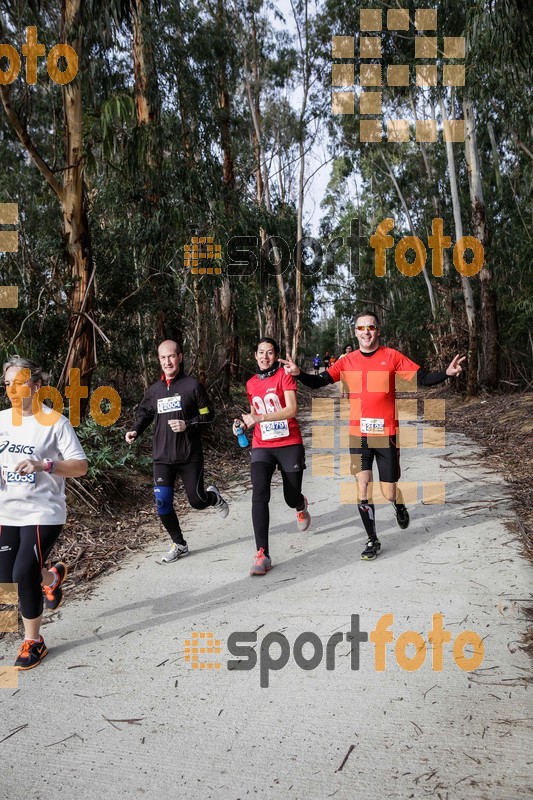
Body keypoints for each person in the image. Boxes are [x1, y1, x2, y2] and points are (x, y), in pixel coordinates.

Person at [281, 312, 465, 561]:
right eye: (361, 328)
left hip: (385, 434)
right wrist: (298, 373)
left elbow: (422, 378)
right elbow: (319, 382)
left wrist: (446, 373)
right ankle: (372, 539)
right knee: (362, 484)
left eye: (370, 327)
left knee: (389, 492)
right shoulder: (347, 361)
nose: (366, 331)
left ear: (377, 330)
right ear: (355, 332)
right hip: (358, 435)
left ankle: (398, 505)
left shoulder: (391, 356)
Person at [0, 356, 88, 670]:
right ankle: (51, 579)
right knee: (5, 578)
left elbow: (80, 466)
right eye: (8, 383)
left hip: (44, 511)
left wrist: (45, 465)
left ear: (36, 386)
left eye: (19, 382)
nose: (12, 389)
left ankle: (34, 641)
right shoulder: (1, 421)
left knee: (22, 574)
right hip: (7, 511)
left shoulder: (55, 422)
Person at [125, 340, 229, 563]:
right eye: (163, 358)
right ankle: (179, 544)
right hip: (162, 457)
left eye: (171, 356)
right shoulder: (155, 390)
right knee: (162, 503)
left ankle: (213, 497)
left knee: (197, 500)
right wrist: (135, 430)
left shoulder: (192, 386)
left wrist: (188, 423)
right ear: (159, 361)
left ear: (180, 357)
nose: (167, 361)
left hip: (189, 455)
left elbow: (208, 415)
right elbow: (144, 414)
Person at [233, 338, 311, 576]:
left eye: (269, 353)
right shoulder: (251, 383)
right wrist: (244, 423)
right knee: (259, 493)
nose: (264, 357)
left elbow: (291, 410)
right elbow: (255, 413)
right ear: (255, 356)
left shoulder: (284, 376)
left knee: (290, 496)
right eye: (260, 353)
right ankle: (262, 554)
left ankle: (300, 504)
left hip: (289, 443)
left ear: (276, 355)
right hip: (262, 445)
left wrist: (261, 419)